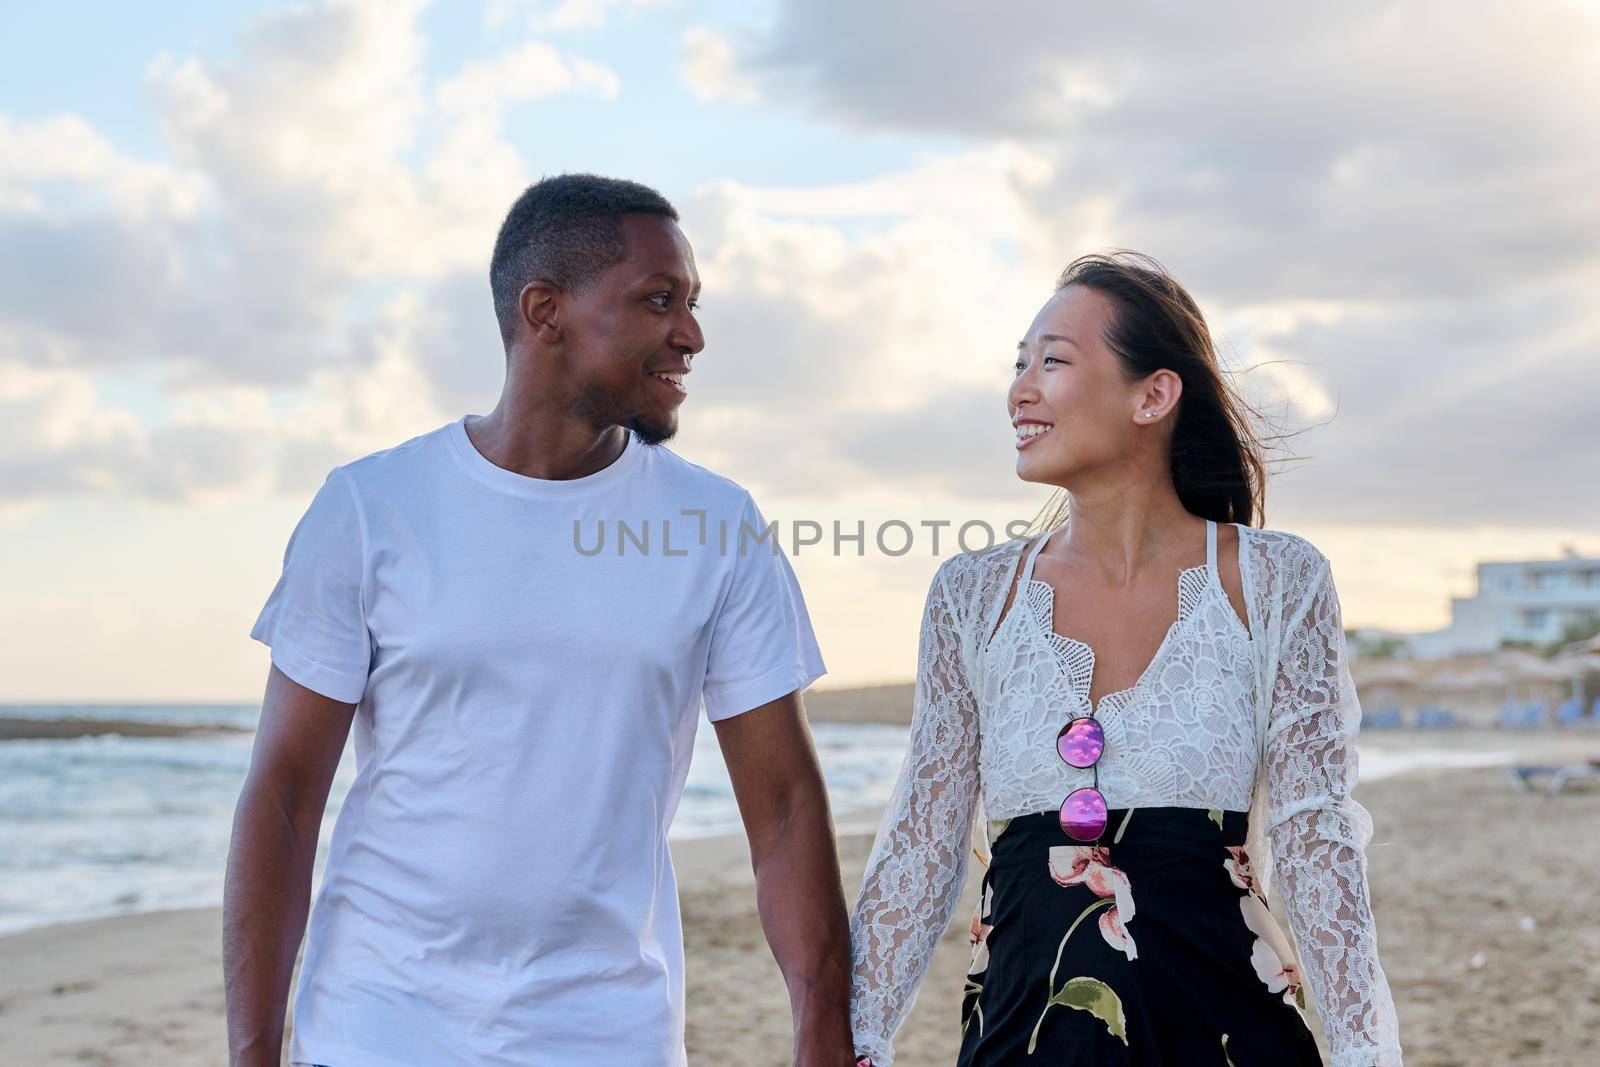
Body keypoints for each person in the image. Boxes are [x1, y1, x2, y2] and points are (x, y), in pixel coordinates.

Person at [224, 174, 857, 1067]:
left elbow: (786, 810)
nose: (692, 335)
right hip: (379, 1029)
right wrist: (250, 1051)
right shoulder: (371, 509)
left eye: (692, 303)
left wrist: (823, 1027)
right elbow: (285, 798)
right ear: (544, 310)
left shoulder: (715, 525)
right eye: (658, 300)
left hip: (611, 1038)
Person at [848, 253, 1402, 1066]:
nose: (1021, 389)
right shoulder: (973, 595)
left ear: (1154, 394)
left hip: (1226, 1031)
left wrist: (1365, 1051)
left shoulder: (1278, 581)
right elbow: (922, 838)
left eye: (1054, 360)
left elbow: (1317, 836)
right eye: (1019, 363)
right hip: (1025, 1035)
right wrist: (860, 1036)